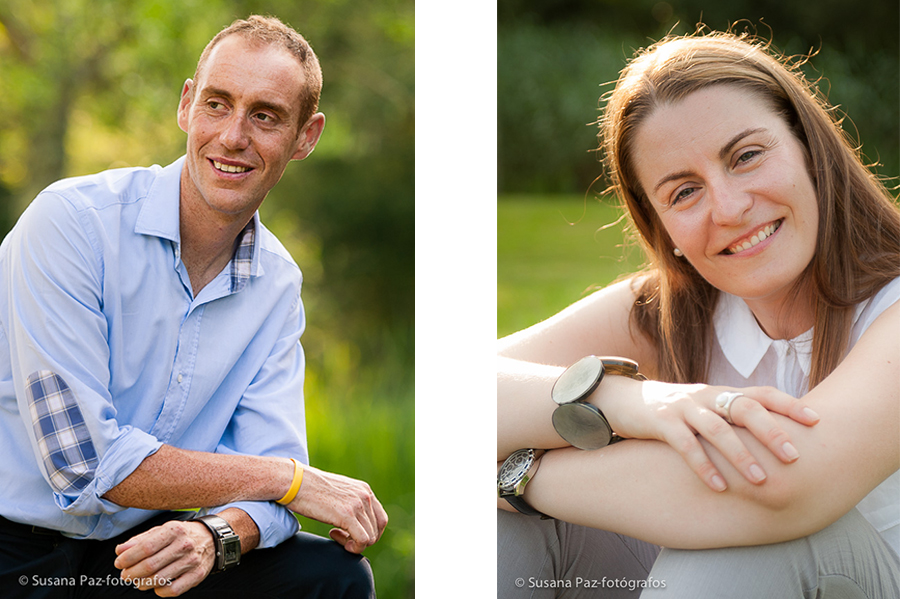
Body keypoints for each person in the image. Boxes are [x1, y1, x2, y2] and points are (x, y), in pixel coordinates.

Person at [497, 30, 899, 598]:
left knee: (751, 545)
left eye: (747, 156)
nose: (729, 208)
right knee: (497, 532)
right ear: (661, 227)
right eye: (684, 192)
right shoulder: (672, 308)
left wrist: (520, 477)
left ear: (811, 148)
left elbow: (782, 483)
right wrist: (622, 401)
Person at [0, 15, 387, 598]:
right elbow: (83, 464)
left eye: (265, 116)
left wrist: (215, 534)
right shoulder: (71, 223)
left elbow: (278, 503)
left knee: (333, 576)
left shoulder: (277, 285)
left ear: (306, 137)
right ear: (186, 106)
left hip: (146, 555)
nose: (233, 136)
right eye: (217, 104)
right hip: (17, 554)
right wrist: (288, 480)